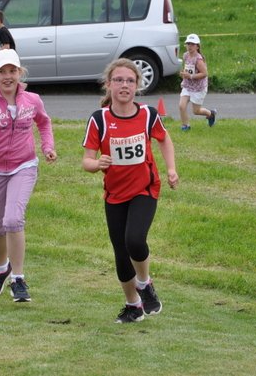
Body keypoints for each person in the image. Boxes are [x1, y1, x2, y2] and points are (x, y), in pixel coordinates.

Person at [82, 58, 178, 323]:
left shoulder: (148, 115)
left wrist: (171, 169)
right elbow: (86, 160)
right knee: (121, 253)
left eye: (130, 81)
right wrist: (96, 163)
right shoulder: (99, 119)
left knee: (134, 239)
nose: (124, 85)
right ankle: (133, 306)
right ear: (108, 84)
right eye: (119, 80)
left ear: (137, 85)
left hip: (145, 189)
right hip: (114, 194)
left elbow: (164, 139)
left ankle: (145, 284)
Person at [0, 49, 57, 303]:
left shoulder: (32, 100)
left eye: (12, 71)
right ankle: (1, 268)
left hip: (24, 165)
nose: (8, 77)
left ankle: (18, 279)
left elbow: (44, 123)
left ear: (19, 72)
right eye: (2, 72)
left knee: (13, 219)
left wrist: (47, 147)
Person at [178, 33, 216, 131]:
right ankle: (185, 126)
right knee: (181, 106)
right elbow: (187, 68)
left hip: (198, 88)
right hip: (187, 85)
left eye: (192, 44)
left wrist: (190, 76)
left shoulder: (198, 60)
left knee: (196, 111)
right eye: (188, 44)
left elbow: (205, 73)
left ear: (197, 46)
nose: (189, 46)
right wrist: (183, 74)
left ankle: (210, 114)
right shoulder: (185, 55)